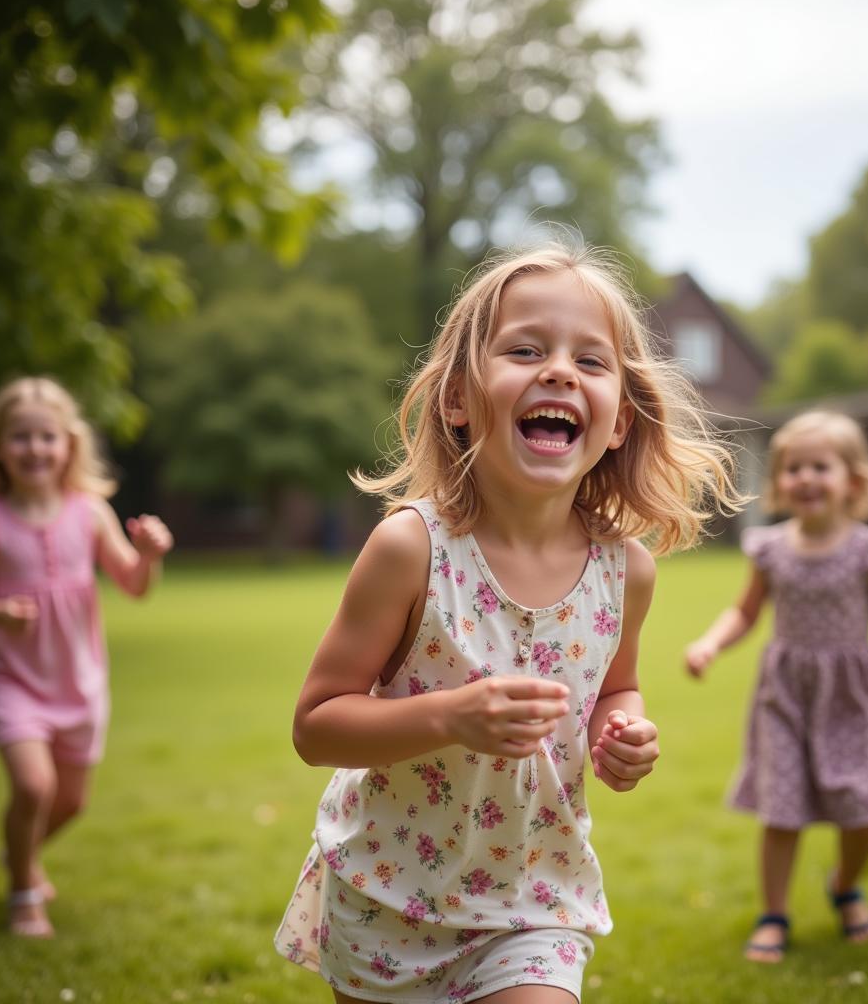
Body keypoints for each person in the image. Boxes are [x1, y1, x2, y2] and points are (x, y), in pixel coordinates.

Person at [274, 240, 744, 1003]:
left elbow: (617, 687)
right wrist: (452, 716)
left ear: (619, 422)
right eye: (525, 349)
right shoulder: (412, 549)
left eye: (591, 363)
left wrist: (619, 731)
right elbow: (317, 725)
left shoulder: (626, 571)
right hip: (387, 894)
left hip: (533, 896)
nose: (559, 370)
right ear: (459, 400)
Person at [685, 409, 868, 963]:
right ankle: (774, 912)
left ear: (853, 482)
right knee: (781, 809)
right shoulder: (770, 549)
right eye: (793, 468)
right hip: (785, 697)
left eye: (820, 466)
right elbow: (744, 614)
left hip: (850, 697)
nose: (805, 478)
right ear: (779, 483)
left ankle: (844, 884)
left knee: (866, 811)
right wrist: (710, 643)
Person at [0, 376, 174, 938]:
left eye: (46, 436)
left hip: (79, 682)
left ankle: (18, 856)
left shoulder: (89, 511)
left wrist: (148, 556)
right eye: (20, 437)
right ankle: (25, 895)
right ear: (1, 445)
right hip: (12, 679)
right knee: (33, 786)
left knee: (69, 802)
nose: (34, 448)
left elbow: (133, 584)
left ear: (68, 445)